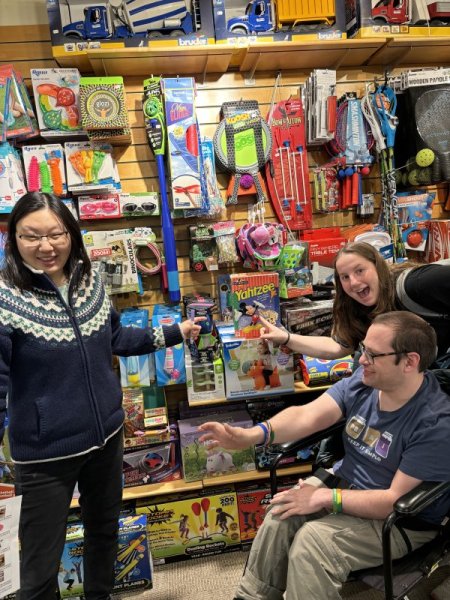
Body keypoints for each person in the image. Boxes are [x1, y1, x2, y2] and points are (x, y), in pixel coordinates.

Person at [0, 192, 203, 600]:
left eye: (56, 234)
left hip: (106, 439)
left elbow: (115, 337)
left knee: (104, 534)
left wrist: (173, 332)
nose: (46, 246)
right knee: (39, 568)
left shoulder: (89, 280)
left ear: (71, 234)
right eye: (31, 236)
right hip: (45, 455)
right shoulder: (6, 298)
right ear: (13, 239)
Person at [199, 311, 450, 600]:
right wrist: (250, 436)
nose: (361, 359)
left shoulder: (435, 423)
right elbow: (307, 415)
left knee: (313, 544)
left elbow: (392, 502)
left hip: (400, 521)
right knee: (280, 514)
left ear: (410, 361)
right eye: (363, 349)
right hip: (347, 485)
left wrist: (324, 497)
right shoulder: (363, 382)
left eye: (373, 354)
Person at [259, 241, 450, 365]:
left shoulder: (416, 284)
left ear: (377, 266)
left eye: (360, 271)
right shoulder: (358, 308)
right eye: (345, 277)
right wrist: (286, 338)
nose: (354, 282)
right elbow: (338, 346)